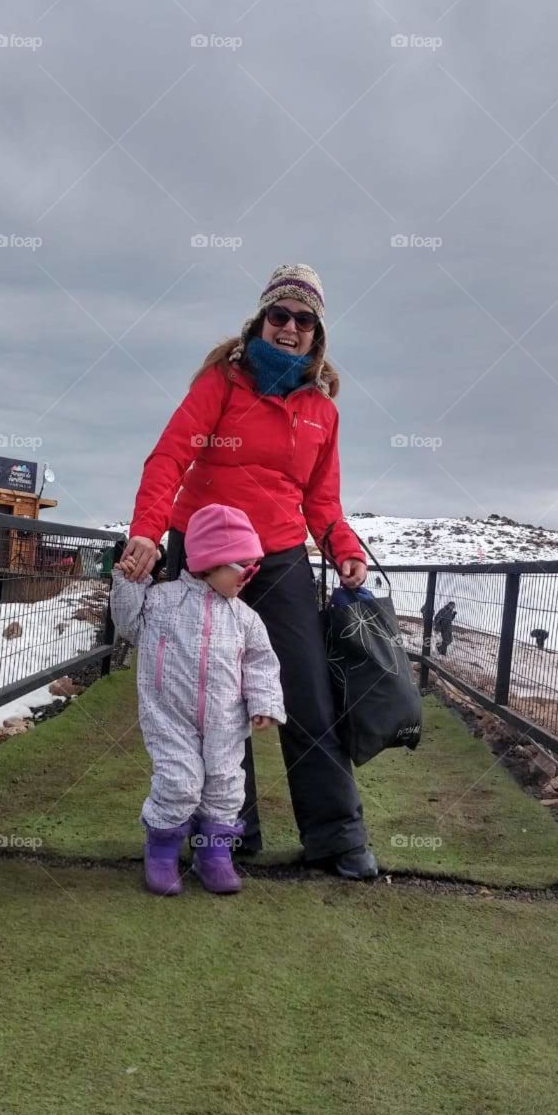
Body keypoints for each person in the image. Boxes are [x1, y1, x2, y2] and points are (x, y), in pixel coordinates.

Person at [119, 263, 378, 880]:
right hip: (202, 555)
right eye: (279, 315)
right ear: (262, 320)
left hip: (280, 554)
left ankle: (337, 836)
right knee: (204, 697)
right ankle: (227, 836)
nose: (289, 328)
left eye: (304, 320)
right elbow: (171, 455)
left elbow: (322, 498)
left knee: (305, 692)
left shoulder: (322, 413)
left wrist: (343, 546)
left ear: (318, 333)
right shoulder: (222, 383)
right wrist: (147, 532)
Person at [110, 504, 286, 896]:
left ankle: (214, 855)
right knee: (179, 781)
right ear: (211, 562)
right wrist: (130, 582)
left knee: (225, 785)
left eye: (253, 567)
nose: (249, 577)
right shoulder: (161, 602)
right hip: (169, 716)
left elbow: (261, 663)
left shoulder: (245, 618)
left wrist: (263, 703)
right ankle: (161, 850)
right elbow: (127, 623)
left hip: (225, 720)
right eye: (244, 567)